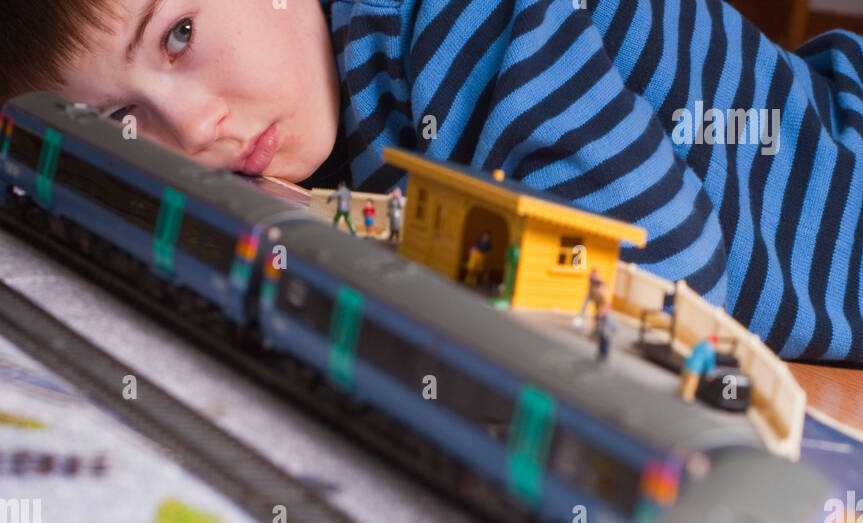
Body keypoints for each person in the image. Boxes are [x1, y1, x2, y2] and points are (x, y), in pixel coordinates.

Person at [6, 0, 863, 361]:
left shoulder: (453, 19)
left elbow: (656, 285)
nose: (189, 129)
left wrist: (339, 237)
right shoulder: (319, 95)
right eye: (122, 122)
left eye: (179, 35)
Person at [680, 335, 719, 404]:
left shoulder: (701, 344)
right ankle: (687, 397)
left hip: (688, 363)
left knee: (685, 379)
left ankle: (681, 390)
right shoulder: (710, 350)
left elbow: (693, 350)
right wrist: (710, 373)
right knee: (691, 383)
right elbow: (709, 363)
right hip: (696, 368)